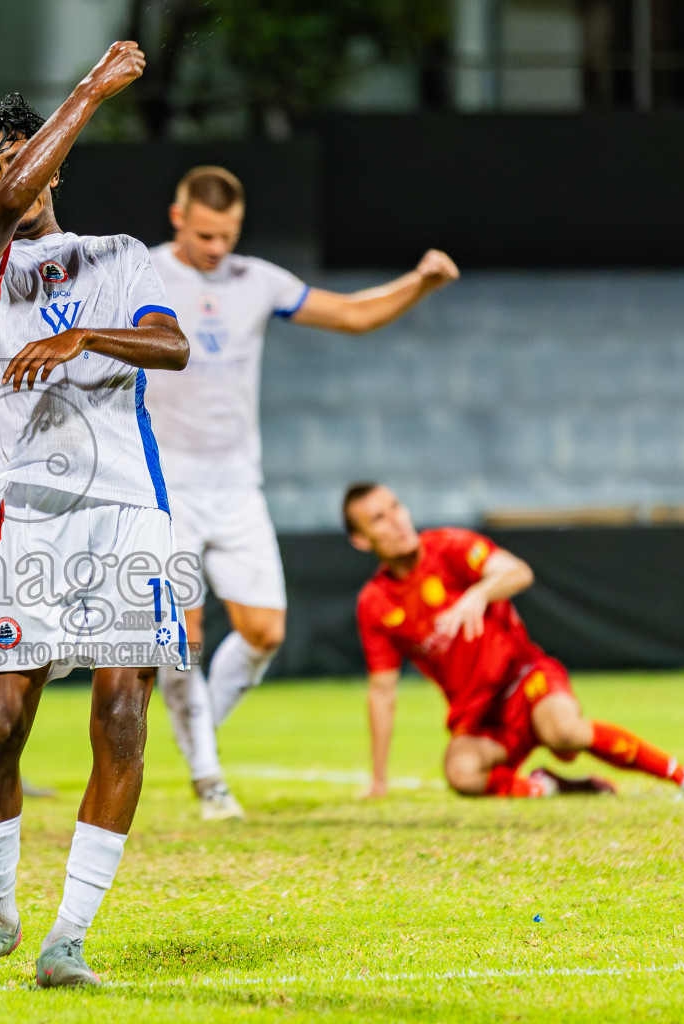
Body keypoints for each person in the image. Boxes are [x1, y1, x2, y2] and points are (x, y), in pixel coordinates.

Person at [0, 41, 191, 990]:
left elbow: (172, 346)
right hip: (35, 519)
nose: (15, 176)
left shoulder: (121, 256)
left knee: (120, 716)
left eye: (24, 154)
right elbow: (6, 206)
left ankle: (67, 938)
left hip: (129, 511)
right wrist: (91, 89)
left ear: (58, 162)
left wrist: (84, 335)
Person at [142, 165, 461, 821]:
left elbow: (350, 315)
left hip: (238, 486)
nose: (217, 247)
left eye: (228, 235)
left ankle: (197, 733)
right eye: (205, 235)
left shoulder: (257, 281)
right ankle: (208, 777)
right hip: (164, 484)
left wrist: (420, 283)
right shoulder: (140, 272)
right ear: (178, 219)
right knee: (185, 635)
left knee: (265, 632)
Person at [344, 483, 684, 799]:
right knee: (461, 773)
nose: (397, 521)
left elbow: (518, 572)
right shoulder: (376, 604)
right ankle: (548, 786)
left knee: (564, 733)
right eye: (378, 518)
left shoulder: (449, 547)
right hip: (482, 715)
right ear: (361, 540)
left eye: (396, 507)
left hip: (526, 678)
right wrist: (379, 779)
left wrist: (478, 594)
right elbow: (382, 691)